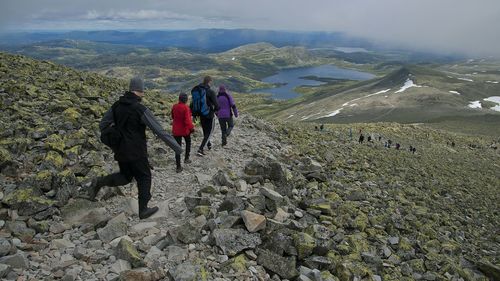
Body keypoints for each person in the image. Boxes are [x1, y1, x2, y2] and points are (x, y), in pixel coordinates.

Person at [88, 77, 182, 219]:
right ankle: (143, 210)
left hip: (120, 150)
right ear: (141, 90)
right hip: (137, 151)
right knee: (144, 177)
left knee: (125, 177)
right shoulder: (140, 109)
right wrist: (177, 148)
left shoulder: (116, 105)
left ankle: (100, 182)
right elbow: (159, 131)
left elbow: (102, 125)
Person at [191, 76, 219, 156]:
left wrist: (194, 114)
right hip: (209, 115)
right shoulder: (210, 92)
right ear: (209, 82)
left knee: (205, 131)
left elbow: (193, 103)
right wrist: (214, 110)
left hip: (200, 115)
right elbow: (217, 105)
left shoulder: (198, 90)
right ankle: (201, 149)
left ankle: (208, 144)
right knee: (209, 132)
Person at [171, 92, 195, 173]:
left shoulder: (174, 106)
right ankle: (186, 158)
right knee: (188, 142)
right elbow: (187, 121)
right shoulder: (186, 108)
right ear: (186, 100)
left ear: (179, 98)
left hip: (176, 130)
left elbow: (173, 116)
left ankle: (178, 166)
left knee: (177, 147)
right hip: (184, 130)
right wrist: (192, 129)